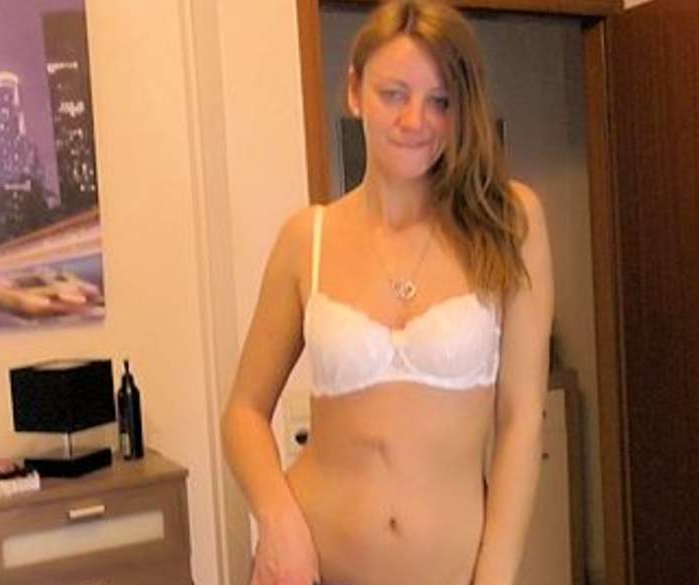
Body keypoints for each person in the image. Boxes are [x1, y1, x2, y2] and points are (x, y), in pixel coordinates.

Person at [223, 1, 553, 584]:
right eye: (394, 94)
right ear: (355, 92)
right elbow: (244, 413)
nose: (414, 120)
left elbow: (521, 419)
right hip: (312, 570)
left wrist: (496, 576)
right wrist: (276, 519)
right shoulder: (307, 239)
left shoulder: (511, 221)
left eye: (439, 101)